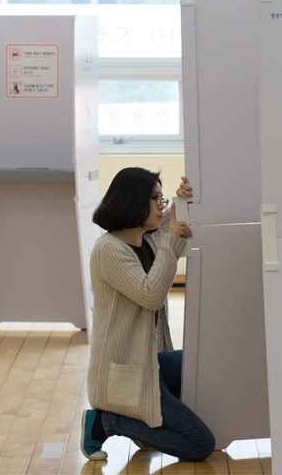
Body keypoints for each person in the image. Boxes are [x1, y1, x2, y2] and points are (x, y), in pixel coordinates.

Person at [80, 167, 215, 461]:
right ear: (132, 200)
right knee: (200, 444)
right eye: (155, 198)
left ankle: (142, 425)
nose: (160, 205)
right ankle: (106, 421)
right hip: (123, 376)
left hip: (147, 365)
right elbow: (151, 295)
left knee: (201, 363)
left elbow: (168, 226)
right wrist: (171, 240)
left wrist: (181, 200)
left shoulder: (145, 241)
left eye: (161, 198)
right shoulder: (109, 249)